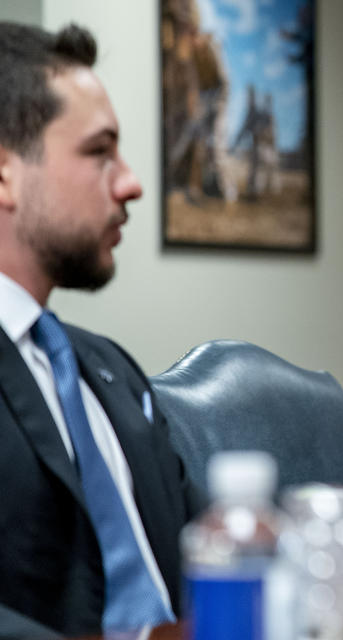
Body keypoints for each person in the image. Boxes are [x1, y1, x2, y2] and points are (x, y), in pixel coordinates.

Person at [0, 22, 204, 636]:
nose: (131, 183)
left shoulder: (110, 371)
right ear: (5, 175)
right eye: (99, 152)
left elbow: (208, 558)